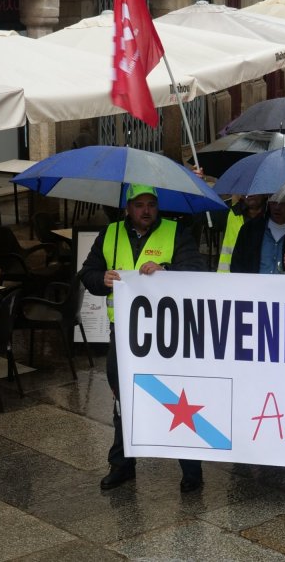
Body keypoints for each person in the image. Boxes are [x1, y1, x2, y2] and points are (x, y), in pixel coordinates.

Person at [79, 184, 205, 493]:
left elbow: (196, 269)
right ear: (127, 208)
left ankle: (191, 470)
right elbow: (88, 273)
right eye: (139, 205)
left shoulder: (176, 232)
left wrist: (166, 269)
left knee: (178, 399)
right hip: (124, 334)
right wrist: (101, 278)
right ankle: (121, 465)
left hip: (167, 334)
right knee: (123, 399)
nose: (146, 210)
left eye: (151, 204)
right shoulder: (110, 234)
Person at [229, 198, 285, 274]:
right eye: (273, 201)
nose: (277, 207)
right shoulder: (249, 230)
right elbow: (236, 267)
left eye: (283, 202)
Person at [216, 194, 267, 272]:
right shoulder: (229, 211)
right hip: (229, 276)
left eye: (254, 191)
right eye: (247, 190)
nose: (250, 194)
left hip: (263, 276)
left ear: (266, 194)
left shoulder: (272, 217)